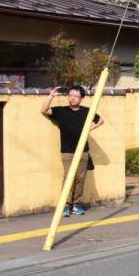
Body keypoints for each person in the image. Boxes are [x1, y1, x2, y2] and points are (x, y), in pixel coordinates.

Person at [41, 85, 103, 217]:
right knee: (69, 177)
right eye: (70, 96)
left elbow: (101, 120)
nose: (72, 98)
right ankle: (65, 205)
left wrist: (91, 128)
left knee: (80, 178)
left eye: (76, 96)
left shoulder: (87, 111)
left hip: (83, 151)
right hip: (67, 151)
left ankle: (76, 204)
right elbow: (44, 110)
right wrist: (51, 96)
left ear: (81, 98)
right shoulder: (61, 111)